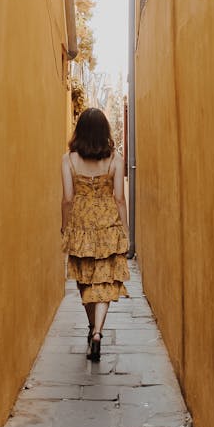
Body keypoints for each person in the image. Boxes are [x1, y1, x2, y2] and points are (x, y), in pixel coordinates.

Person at [60, 108, 130, 362]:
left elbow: (68, 199)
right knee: (104, 282)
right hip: (107, 225)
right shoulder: (115, 158)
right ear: (104, 131)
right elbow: (119, 199)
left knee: (85, 279)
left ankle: (91, 328)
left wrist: (65, 227)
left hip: (81, 226)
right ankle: (98, 332)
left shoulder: (68, 159)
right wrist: (124, 230)